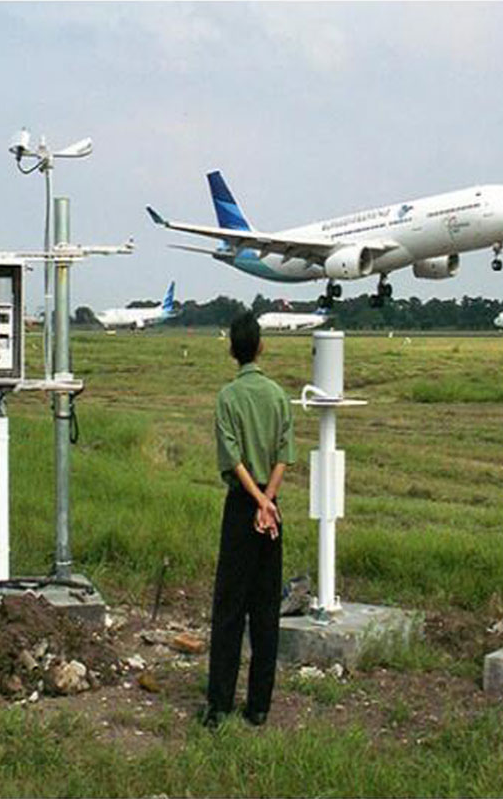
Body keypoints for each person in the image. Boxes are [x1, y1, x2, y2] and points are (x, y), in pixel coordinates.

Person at [203, 311, 295, 728]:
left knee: (229, 609)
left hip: (242, 505)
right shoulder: (278, 396)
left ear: (232, 351)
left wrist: (255, 501)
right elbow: (283, 455)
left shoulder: (227, 397)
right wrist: (269, 502)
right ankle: (259, 705)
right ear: (261, 347)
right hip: (270, 509)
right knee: (265, 607)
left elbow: (232, 457)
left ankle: (219, 704)